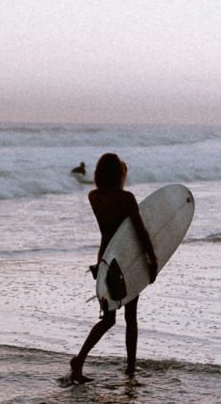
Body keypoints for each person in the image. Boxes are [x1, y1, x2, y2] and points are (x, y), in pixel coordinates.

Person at [60, 153, 158, 385]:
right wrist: (152, 259)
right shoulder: (127, 198)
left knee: (108, 318)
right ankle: (130, 369)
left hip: (105, 259)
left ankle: (79, 361)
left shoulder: (94, 196)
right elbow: (140, 231)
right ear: (118, 174)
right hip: (126, 258)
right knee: (131, 316)